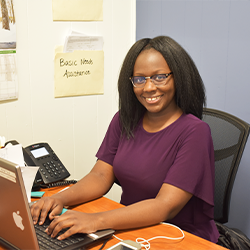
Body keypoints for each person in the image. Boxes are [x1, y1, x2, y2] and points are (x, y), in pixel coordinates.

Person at [31, 36, 220, 243]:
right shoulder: (124, 119)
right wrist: (58, 198)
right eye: (139, 79)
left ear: (179, 77)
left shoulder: (195, 132)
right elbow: (101, 176)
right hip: (131, 228)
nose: (148, 88)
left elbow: (165, 206)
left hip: (179, 237)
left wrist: (94, 220)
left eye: (159, 77)